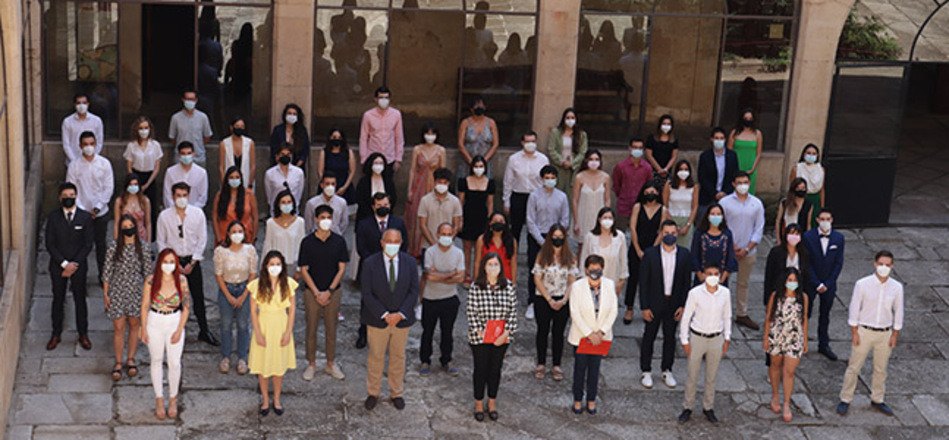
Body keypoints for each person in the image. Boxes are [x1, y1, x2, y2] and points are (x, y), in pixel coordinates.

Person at [836, 250, 902, 417]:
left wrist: (895, 334)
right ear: (875, 264)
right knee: (854, 366)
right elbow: (854, 307)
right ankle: (845, 398)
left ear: (892, 266)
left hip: (884, 333)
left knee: (881, 369)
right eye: (881, 264)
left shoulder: (897, 287)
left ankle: (877, 398)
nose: (884, 268)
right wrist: (854, 332)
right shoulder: (862, 284)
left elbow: (899, 311)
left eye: (887, 265)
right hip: (864, 331)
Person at [361, 229, 418, 411]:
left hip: (401, 320)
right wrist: (385, 314)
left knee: (398, 357)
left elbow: (413, 291)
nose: (392, 244)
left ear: (401, 243)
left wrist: (400, 313)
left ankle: (396, 393)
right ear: (382, 242)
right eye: (389, 241)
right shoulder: (370, 263)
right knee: (376, 357)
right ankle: (373, 392)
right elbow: (367, 293)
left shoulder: (409, 262)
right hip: (378, 319)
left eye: (396, 241)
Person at [157, 182, 217, 346]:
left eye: (184, 195)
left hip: (191, 261)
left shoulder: (197, 214)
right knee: (172, 298)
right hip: (172, 262)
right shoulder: (165, 216)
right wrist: (173, 264)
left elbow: (202, 239)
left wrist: (192, 262)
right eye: (178, 195)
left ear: (188, 196)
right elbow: (161, 242)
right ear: (173, 196)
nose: (181, 199)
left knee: (198, 297)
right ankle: (172, 332)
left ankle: (204, 330)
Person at [298, 205, 349, 381]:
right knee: (311, 328)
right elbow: (304, 270)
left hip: (333, 292)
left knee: (331, 328)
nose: (325, 220)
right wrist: (317, 292)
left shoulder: (339, 241)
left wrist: (329, 291)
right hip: (312, 291)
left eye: (329, 217)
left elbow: (342, 268)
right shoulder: (307, 242)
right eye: (322, 217)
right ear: (316, 220)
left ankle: (330, 363)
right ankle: (311, 364)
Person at [639, 220, 692, 390]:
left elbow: (686, 283)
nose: (670, 235)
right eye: (666, 232)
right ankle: (646, 370)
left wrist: (683, 306)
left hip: (673, 303)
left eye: (673, 232)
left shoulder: (684, 254)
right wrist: (644, 306)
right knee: (649, 336)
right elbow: (644, 282)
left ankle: (667, 369)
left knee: (670, 338)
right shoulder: (650, 254)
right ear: (661, 233)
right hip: (654, 303)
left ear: (677, 234)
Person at [466, 252, 518, 421]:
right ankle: (479, 403)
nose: (493, 268)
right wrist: (482, 332)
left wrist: (506, 333)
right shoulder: (476, 287)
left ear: (501, 267)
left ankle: (492, 402)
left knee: (495, 370)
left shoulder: (508, 286)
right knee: (480, 370)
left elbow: (513, 312)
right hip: (479, 337)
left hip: (501, 337)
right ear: (484, 267)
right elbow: (471, 312)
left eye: (496, 265)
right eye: (490, 265)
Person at [140, 249, 191, 420]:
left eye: (172, 261)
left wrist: (179, 329)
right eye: (165, 261)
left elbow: (186, 307)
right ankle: (159, 399)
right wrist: (143, 326)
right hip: (155, 321)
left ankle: (173, 398)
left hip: (174, 321)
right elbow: (145, 305)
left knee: (174, 363)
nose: (168, 265)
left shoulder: (182, 280)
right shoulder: (151, 281)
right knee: (156, 360)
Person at [678, 262, 731, 425]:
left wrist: (727, 337)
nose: (713, 277)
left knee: (711, 376)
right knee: (692, 375)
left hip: (716, 338)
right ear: (703, 275)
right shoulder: (695, 293)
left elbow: (727, 316)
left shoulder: (725, 293)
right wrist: (685, 340)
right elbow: (686, 317)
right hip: (698, 337)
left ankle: (708, 407)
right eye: (709, 273)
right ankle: (688, 406)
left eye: (716, 273)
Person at [248, 251, 298, 416]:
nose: (274, 268)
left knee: (278, 366)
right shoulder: (257, 285)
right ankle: (265, 400)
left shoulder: (289, 284)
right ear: (265, 266)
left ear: (282, 266)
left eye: (278, 264)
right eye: (271, 264)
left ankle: (276, 399)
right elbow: (253, 312)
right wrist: (258, 334)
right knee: (263, 367)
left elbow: (292, 311)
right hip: (263, 326)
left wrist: (288, 333)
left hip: (281, 326)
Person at [354, 193, 408, 348]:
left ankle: (391, 334)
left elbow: (404, 245)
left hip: (394, 268)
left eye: (385, 204)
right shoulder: (364, 224)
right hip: (370, 270)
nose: (382, 207)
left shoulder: (398, 223)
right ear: (373, 207)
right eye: (379, 205)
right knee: (367, 302)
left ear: (390, 205)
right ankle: (363, 333)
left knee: (393, 300)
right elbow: (361, 248)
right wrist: (376, 264)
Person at [45, 183, 95, 351]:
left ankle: (83, 333)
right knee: (58, 299)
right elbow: (50, 244)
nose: (69, 198)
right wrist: (64, 264)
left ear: (76, 196)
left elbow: (88, 244)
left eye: (72, 195)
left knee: (80, 300)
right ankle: (56, 333)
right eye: (65, 195)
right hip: (58, 266)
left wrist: (74, 264)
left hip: (78, 267)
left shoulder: (85, 217)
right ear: (60, 197)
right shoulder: (53, 217)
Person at [103, 215, 152, 380]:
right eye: (125, 226)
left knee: (134, 325)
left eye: (131, 225)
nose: (128, 228)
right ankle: (118, 362)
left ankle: (130, 359)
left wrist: (147, 296)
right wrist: (106, 293)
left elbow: (147, 273)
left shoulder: (143, 247)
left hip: (135, 291)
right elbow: (107, 271)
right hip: (117, 291)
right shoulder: (113, 247)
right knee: (118, 328)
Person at [568, 255, 618, 415]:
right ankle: (577, 400)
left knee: (595, 370)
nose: (595, 272)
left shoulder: (609, 285)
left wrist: (601, 331)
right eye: (592, 269)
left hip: (601, 337)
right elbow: (575, 312)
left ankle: (591, 400)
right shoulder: (577, 286)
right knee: (579, 370)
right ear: (586, 269)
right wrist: (590, 334)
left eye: (598, 269)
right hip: (581, 336)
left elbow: (613, 310)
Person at [66, 131, 114, 285]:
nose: (89, 147)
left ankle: (103, 278)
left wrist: (98, 207)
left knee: (101, 246)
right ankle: (79, 281)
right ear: (80, 146)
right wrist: (82, 211)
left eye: (91, 144)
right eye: (85, 144)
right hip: (81, 214)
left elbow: (108, 187)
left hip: (101, 213)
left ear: (96, 144)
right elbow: (71, 190)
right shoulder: (74, 166)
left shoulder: (104, 164)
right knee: (79, 248)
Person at [531, 224, 578, 382]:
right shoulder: (542, 255)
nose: (557, 239)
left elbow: (572, 280)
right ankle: (541, 363)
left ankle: (557, 364)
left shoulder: (570, 257)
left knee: (559, 333)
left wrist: (564, 299)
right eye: (555, 236)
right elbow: (537, 278)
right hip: (543, 298)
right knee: (542, 331)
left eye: (560, 236)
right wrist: (549, 299)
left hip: (562, 299)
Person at [719, 172, 765, 330]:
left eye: (745, 182)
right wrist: (732, 247)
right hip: (727, 250)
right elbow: (721, 225)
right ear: (733, 184)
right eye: (739, 182)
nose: (743, 185)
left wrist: (747, 248)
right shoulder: (725, 203)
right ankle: (720, 313)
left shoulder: (757, 203)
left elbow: (759, 228)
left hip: (748, 251)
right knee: (722, 282)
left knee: (743, 283)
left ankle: (741, 313)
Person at [764, 268, 809, 422]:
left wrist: (805, 340)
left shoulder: (803, 297)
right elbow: (769, 318)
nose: (792, 283)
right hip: (777, 336)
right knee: (775, 366)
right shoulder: (775, 296)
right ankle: (775, 395)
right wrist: (766, 338)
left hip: (794, 338)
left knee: (789, 372)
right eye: (789, 280)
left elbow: (804, 319)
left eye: (794, 280)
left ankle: (787, 404)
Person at [213, 220, 258, 375]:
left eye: (240, 231)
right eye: (234, 231)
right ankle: (225, 357)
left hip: (244, 288)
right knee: (225, 325)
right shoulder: (220, 251)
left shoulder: (250, 250)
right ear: (228, 234)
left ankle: (242, 358)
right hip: (227, 289)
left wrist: (244, 294)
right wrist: (229, 296)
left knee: (243, 325)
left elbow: (253, 273)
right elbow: (218, 274)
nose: (237, 234)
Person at [419, 223, 465, 376]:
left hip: (450, 299)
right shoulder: (430, 252)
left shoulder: (458, 253)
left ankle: (447, 360)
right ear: (437, 235)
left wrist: (439, 276)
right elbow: (429, 276)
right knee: (427, 332)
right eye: (443, 233)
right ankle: (425, 361)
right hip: (430, 298)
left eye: (449, 233)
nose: (446, 236)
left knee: (447, 332)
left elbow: (461, 277)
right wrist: (450, 274)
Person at [526, 165, 571, 319]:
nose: (550, 180)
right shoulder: (534, 196)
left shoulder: (562, 197)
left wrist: (557, 236)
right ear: (542, 179)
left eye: (553, 178)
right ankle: (532, 301)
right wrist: (542, 241)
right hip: (538, 236)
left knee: (557, 268)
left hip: (557, 236)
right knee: (536, 268)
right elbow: (530, 220)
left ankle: (558, 297)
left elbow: (565, 219)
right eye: (547, 178)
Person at [802, 208, 845, 361]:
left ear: (832, 220)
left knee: (825, 315)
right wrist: (816, 282)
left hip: (829, 283)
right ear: (817, 220)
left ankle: (823, 344)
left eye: (828, 218)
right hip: (811, 282)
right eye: (822, 218)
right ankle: (801, 342)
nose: (825, 221)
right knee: (806, 313)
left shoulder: (839, 238)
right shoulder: (808, 237)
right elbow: (806, 262)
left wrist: (828, 283)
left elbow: (838, 263)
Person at [624, 183, 669, 324]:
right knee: (633, 279)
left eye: (653, 191)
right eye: (647, 191)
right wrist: (637, 249)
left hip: (653, 249)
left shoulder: (663, 210)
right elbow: (632, 227)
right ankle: (629, 309)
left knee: (651, 280)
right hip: (637, 247)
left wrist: (652, 251)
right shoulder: (638, 207)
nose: (650, 194)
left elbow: (662, 231)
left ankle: (647, 308)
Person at [406, 124, 448, 256]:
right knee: (416, 216)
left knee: (433, 215)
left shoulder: (441, 150)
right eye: (427, 133)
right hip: (419, 185)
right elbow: (413, 170)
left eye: (432, 133)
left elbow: (443, 172)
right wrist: (410, 189)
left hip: (434, 185)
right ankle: (415, 249)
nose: (430, 136)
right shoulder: (417, 149)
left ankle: (432, 246)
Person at [503, 131, 549, 244]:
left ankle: (533, 258)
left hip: (537, 197)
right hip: (518, 195)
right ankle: (512, 256)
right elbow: (508, 181)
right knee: (515, 229)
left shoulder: (543, 159)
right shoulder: (514, 159)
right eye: (527, 141)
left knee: (535, 229)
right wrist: (506, 201)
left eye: (533, 141)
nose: (530, 144)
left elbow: (547, 180)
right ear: (522, 142)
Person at [458, 155, 495, 283]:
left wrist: (490, 220)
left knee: (480, 247)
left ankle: (477, 274)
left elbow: (490, 203)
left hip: (482, 218)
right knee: (467, 247)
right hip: (468, 217)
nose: (478, 169)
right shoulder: (464, 181)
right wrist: (460, 219)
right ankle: (466, 273)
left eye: (481, 166)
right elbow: (460, 201)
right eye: (476, 166)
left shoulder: (489, 182)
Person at [123, 116, 162, 231]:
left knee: (150, 208)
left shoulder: (155, 145)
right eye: (141, 128)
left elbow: (157, 167)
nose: (144, 131)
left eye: (146, 128)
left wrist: (147, 184)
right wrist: (134, 183)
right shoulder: (131, 145)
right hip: (135, 177)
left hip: (150, 178)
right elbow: (129, 166)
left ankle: (150, 237)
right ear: (136, 130)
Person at [580, 207, 628, 296]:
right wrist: (584, 279)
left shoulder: (620, 237)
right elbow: (584, 258)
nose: (607, 220)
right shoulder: (590, 237)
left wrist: (622, 281)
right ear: (599, 219)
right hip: (592, 282)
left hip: (613, 282)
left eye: (610, 218)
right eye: (605, 218)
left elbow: (623, 259)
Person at [417, 168, 463, 258]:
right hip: (428, 247)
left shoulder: (455, 201)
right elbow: (422, 225)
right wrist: (433, 244)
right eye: (439, 182)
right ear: (434, 182)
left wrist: (447, 241)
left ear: (449, 183)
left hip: (449, 247)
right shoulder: (425, 200)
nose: (442, 185)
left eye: (445, 182)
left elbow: (457, 225)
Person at [690, 204, 738, 289]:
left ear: (722, 216)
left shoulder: (727, 234)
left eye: (718, 214)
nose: (715, 216)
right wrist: (701, 276)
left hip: (720, 280)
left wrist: (722, 278)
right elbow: (694, 255)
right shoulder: (699, 234)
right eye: (712, 214)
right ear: (707, 216)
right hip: (701, 280)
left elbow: (731, 257)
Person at [572, 149, 610, 256]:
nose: (594, 162)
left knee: (599, 247)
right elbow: (575, 200)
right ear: (586, 161)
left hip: (599, 217)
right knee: (582, 249)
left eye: (596, 159)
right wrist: (576, 221)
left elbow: (607, 199)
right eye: (591, 159)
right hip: (583, 217)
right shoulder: (579, 177)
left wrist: (607, 218)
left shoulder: (605, 177)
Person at [359, 86, 405, 173]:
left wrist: (398, 159)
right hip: (372, 158)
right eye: (381, 97)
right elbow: (363, 138)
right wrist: (364, 159)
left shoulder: (396, 115)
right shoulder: (368, 115)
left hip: (389, 159)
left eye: (386, 97)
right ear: (376, 99)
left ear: (390, 99)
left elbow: (399, 138)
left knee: (388, 184)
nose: (384, 100)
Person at [611, 137, 653, 232]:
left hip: (641, 206)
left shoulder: (647, 168)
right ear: (629, 148)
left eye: (640, 148)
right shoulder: (620, 167)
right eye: (634, 147)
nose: (637, 150)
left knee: (640, 233)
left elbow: (649, 185)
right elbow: (616, 186)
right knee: (619, 233)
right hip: (623, 205)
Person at [697, 127, 739, 219]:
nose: (719, 141)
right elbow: (702, 177)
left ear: (725, 139)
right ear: (711, 139)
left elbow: (735, 176)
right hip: (707, 197)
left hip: (727, 197)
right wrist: (715, 193)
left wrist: (725, 192)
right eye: (716, 138)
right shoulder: (705, 156)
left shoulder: (732, 156)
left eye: (721, 138)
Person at [263, 190, 306, 277]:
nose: (286, 205)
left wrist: (299, 269)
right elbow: (267, 246)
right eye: (283, 202)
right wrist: (265, 267)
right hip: (275, 266)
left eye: (289, 202)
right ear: (278, 205)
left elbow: (302, 246)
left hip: (293, 265)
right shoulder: (270, 223)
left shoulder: (300, 222)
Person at [212, 167, 258, 245]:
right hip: (224, 238)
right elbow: (214, 218)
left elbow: (255, 217)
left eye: (237, 177)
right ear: (227, 179)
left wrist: (253, 239)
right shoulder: (220, 195)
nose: (234, 180)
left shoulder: (249, 194)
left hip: (245, 238)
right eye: (231, 177)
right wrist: (219, 239)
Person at [547, 108, 589, 194]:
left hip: (573, 170)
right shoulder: (556, 132)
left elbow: (583, 152)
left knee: (571, 194)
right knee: (557, 193)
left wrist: (572, 163)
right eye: (568, 118)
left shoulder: (581, 134)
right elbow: (551, 149)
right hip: (558, 168)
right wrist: (561, 161)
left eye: (572, 118)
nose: (570, 120)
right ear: (564, 119)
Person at [168, 88, 213, 166]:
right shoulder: (175, 118)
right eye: (187, 99)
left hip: (198, 158)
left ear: (196, 100)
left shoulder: (203, 117)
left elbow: (207, 137)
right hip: (180, 159)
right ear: (183, 100)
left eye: (192, 99)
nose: (190, 101)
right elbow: (172, 138)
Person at [457, 96, 499, 179]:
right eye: (476, 106)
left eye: (481, 106)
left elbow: (495, 144)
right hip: (467, 162)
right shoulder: (465, 123)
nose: (479, 108)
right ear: (471, 108)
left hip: (485, 163)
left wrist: (483, 161)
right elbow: (460, 144)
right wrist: (471, 161)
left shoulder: (491, 123)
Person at [474, 212, 518, 285]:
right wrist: (476, 280)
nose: (498, 223)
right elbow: (477, 262)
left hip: (505, 280)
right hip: (485, 280)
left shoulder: (512, 241)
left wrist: (514, 283)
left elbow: (513, 264)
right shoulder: (481, 240)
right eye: (495, 221)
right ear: (490, 223)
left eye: (501, 221)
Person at [163, 142, 209, 209]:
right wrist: (174, 209)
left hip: (194, 212)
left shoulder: (201, 173)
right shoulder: (170, 172)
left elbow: (202, 196)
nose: (186, 156)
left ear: (193, 154)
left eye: (189, 153)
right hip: (174, 211)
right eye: (183, 153)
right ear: (179, 155)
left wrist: (192, 211)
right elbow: (167, 195)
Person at [664, 159, 699, 248]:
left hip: (686, 220)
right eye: (681, 169)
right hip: (671, 219)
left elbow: (694, 207)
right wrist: (672, 224)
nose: (683, 172)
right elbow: (665, 205)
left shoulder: (694, 186)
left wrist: (688, 225)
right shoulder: (669, 185)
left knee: (685, 249)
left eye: (686, 169)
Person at [61, 93, 104, 166]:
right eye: (78, 103)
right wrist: (74, 161)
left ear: (88, 104)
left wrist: (92, 158)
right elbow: (66, 145)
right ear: (75, 105)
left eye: (84, 103)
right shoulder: (67, 122)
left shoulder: (96, 121)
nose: (81, 106)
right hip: (72, 163)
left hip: (92, 163)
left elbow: (99, 142)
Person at [317, 127, 357, 205]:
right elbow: (320, 171)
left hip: (344, 186)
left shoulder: (348, 152)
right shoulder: (324, 152)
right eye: (334, 137)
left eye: (339, 137)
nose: (337, 139)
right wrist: (327, 186)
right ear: (330, 138)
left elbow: (352, 171)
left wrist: (344, 187)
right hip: (327, 186)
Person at [727, 108, 763, 194]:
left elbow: (758, 153)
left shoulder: (758, 134)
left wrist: (752, 169)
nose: (748, 121)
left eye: (750, 119)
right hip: (736, 167)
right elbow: (729, 152)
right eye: (746, 118)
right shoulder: (734, 133)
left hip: (751, 168)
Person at [790, 143, 825, 229]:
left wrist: (822, 206)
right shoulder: (797, 168)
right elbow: (792, 187)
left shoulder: (821, 169)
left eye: (814, 154)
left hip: (815, 199)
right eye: (808, 153)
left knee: (813, 224)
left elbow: (822, 189)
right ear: (803, 154)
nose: (811, 155)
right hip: (801, 199)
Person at [265, 144, 306, 214]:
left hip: (293, 211)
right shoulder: (270, 173)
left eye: (288, 154)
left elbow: (299, 193)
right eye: (282, 154)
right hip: (276, 212)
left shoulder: (299, 173)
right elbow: (269, 194)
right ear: (277, 156)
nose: (285, 156)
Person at [356, 152, 397, 221]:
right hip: (366, 216)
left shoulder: (388, 181)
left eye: (381, 163)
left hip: (385, 216)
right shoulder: (363, 182)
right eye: (376, 163)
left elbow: (393, 198)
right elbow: (360, 200)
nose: (378, 166)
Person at [219, 117, 256, 190]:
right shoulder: (224, 143)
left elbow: (253, 166)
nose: (240, 128)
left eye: (242, 127)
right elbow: (221, 167)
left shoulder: (249, 143)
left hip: (246, 182)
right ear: (231, 127)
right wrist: (224, 184)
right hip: (229, 182)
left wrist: (250, 184)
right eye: (237, 126)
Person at [113, 173, 152, 243]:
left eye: (135, 184)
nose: (133, 187)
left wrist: (148, 242)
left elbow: (148, 223)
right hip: (125, 236)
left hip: (141, 236)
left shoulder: (145, 201)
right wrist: (116, 240)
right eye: (130, 184)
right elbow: (116, 223)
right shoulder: (119, 201)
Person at [269, 104, 311, 168]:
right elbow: (273, 148)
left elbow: (305, 151)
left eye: (294, 114)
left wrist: (296, 167)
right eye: (289, 113)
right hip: (279, 167)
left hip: (297, 167)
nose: (291, 116)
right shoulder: (278, 130)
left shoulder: (302, 131)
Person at [775, 177, 813, 243]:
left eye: (803, 188)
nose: (801, 190)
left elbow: (808, 224)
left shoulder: (808, 204)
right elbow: (778, 221)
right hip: (786, 235)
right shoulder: (785, 203)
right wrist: (778, 239)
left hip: (800, 237)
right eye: (798, 188)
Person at [645, 115, 679, 183]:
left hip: (667, 172)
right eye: (664, 123)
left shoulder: (674, 140)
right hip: (653, 171)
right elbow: (649, 155)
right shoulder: (652, 138)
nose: (666, 126)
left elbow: (674, 156)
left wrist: (666, 169)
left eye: (668, 124)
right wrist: (659, 169)